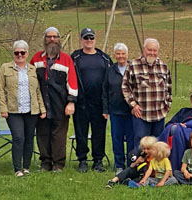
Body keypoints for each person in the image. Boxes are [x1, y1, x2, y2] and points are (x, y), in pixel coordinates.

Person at [30, 27, 78, 172]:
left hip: (60, 104)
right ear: (44, 39)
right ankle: (45, 163)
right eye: (49, 37)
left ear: (59, 39)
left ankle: (58, 164)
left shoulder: (66, 59)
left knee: (59, 135)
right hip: (41, 104)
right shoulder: (36, 58)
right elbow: (30, 80)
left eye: (55, 37)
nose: (52, 39)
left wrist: (71, 102)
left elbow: (72, 81)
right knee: (43, 134)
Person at [0, 40, 46, 176]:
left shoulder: (32, 69)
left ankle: (26, 167)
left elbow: (37, 91)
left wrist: (42, 109)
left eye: (22, 52)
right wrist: (3, 108)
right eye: (17, 52)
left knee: (29, 138)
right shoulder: (5, 68)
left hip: (31, 110)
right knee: (19, 137)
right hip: (13, 111)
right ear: (13, 53)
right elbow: (0, 90)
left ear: (27, 53)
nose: (19, 55)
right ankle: (17, 169)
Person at [71, 28, 113, 173]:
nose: (89, 40)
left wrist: (108, 103)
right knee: (81, 132)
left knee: (99, 133)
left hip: (99, 103)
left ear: (95, 39)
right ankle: (82, 160)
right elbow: (69, 78)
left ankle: (98, 161)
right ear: (81, 40)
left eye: (91, 38)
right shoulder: (75, 57)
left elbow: (111, 80)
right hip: (81, 102)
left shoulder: (105, 58)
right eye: (86, 38)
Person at [122, 38, 172, 149]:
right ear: (144, 50)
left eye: (155, 50)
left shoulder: (163, 67)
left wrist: (167, 105)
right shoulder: (133, 65)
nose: (152, 53)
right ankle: (139, 165)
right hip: (141, 114)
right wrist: (133, 105)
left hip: (159, 114)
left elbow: (168, 88)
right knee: (141, 144)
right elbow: (125, 87)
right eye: (150, 50)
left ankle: (155, 166)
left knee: (158, 144)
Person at [102, 43, 134, 175]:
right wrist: (105, 110)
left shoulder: (134, 68)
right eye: (118, 54)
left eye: (123, 53)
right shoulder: (110, 70)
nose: (120, 56)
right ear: (114, 55)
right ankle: (119, 165)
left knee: (132, 139)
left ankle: (131, 164)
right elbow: (104, 90)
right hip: (115, 111)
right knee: (117, 139)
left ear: (127, 54)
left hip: (131, 111)